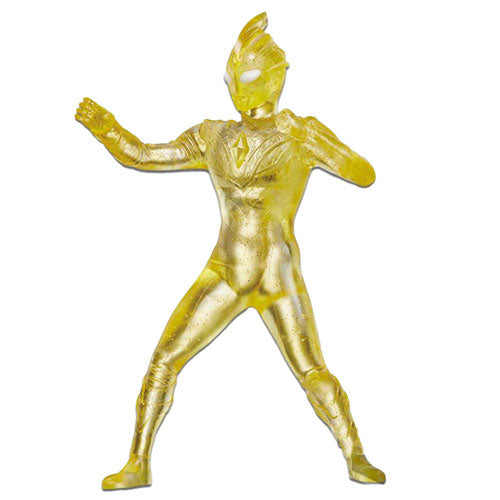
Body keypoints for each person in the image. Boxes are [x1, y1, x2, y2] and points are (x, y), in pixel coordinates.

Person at [76, 12, 385, 490]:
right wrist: (107, 128)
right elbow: (144, 156)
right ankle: (138, 463)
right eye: (234, 79)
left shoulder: (298, 134)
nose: (240, 90)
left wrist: (320, 140)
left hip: (277, 276)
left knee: (311, 369)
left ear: (275, 79)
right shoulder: (214, 136)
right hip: (225, 272)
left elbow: (363, 174)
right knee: (165, 359)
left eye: (249, 78)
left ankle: (355, 453)